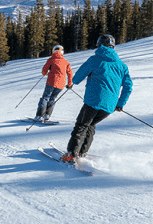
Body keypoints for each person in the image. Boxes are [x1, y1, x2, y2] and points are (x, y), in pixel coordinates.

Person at [61, 34, 132, 163]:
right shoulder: (122, 66)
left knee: (81, 126)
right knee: (91, 125)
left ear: (99, 44)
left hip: (93, 101)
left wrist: (72, 83)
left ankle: (71, 154)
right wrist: (120, 104)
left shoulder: (95, 60)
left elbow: (78, 76)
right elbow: (128, 86)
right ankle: (82, 152)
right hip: (109, 106)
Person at [34, 45, 73, 123]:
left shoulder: (51, 60)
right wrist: (69, 84)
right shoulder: (66, 62)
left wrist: (46, 73)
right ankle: (47, 116)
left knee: (45, 98)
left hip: (51, 82)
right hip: (61, 85)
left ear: (53, 51)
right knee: (52, 98)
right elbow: (70, 74)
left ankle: (39, 116)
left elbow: (44, 71)